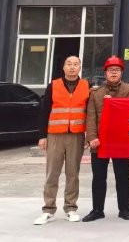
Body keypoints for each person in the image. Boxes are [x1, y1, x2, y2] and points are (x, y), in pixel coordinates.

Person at [34, 55, 91, 225]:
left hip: (77, 135)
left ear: (80, 67)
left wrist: (89, 135)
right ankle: (48, 209)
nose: (72, 67)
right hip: (55, 135)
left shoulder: (86, 86)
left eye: (76, 64)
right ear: (64, 67)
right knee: (52, 173)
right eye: (69, 64)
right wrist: (42, 136)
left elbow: (90, 113)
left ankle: (71, 208)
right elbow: (44, 111)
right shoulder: (54, 85)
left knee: (73, 174)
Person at [82, 55, 129, 222]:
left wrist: (114, 102)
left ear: (121, 72)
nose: (114, 73)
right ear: (105, 73)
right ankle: (97, 210)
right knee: (99, 177)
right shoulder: (96, 93)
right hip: (100, 141)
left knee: (122, 176)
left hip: (120, 140)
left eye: (117, 70)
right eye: (111, 70)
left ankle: (124, 209)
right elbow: (91, 117)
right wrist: (92, 137)